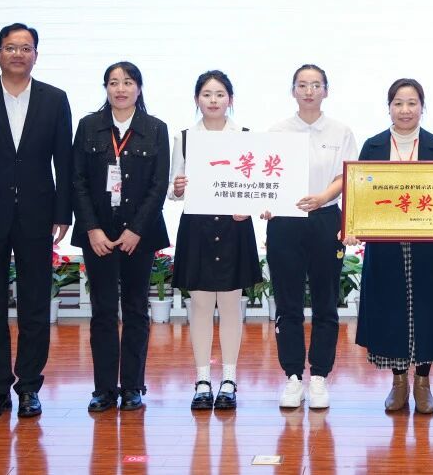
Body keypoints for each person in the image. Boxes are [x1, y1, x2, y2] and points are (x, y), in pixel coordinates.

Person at [0, 23, 73, 421]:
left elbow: (64, 162)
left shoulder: (55, 99)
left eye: (25, 48)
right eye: (10, 47)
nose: (18, 54)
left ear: (36, 55)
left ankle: (29, 388)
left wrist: (63, 212)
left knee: (35, 305)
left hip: (38, 216)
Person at [351, 78, 433, 415]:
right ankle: (399, 381)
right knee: (390, 310)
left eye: (412, 103)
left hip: (429, 246)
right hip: (386, 245)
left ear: (422, 107)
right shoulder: (372, 146)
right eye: (398, 103)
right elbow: (360, 195)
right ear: (389, 107)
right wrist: (354, 225)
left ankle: (423, 382)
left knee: (428, 310)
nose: (405, 110)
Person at [70, 62, 171, 412]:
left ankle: (132, 386)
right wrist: (92, 228)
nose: (120, 89)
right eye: (113, 83)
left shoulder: (155, 128)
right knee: (102, 311)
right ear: (106, 89)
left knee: (135, 309)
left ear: (139, 88)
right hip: (98, 232)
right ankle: (103, 389)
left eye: (128, 82)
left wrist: (136, 230)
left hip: (138, 235)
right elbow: (77, 180)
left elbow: (159, 184)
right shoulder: (89, 127)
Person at [264, 64, 358, 410]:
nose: (309, 91)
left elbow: (346, 175)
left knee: (325, 301)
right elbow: (264, 177)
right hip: (285, 221)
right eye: (302, 85)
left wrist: (322, 198)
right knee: (287, 303)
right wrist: (266, 203)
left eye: (316, 85)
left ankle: (319, 376)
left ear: (326, 91)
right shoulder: (277, 131)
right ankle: (292, 376)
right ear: (293, 91)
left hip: (325, 219)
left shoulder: (340, 131)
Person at [168, 70, 263, 411]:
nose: (213, 100)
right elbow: (173, 191)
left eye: (220, 94)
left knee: (232, 305)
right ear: (197, 99)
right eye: (206, 94)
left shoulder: (246, 136)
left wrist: (247, 206)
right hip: (198, 228)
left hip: (235, 227)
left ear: (230, 100)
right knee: (200, 306)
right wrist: (178, 188)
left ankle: (229, 379)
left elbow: (255, 185)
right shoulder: (184, 137)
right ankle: (202, 380)